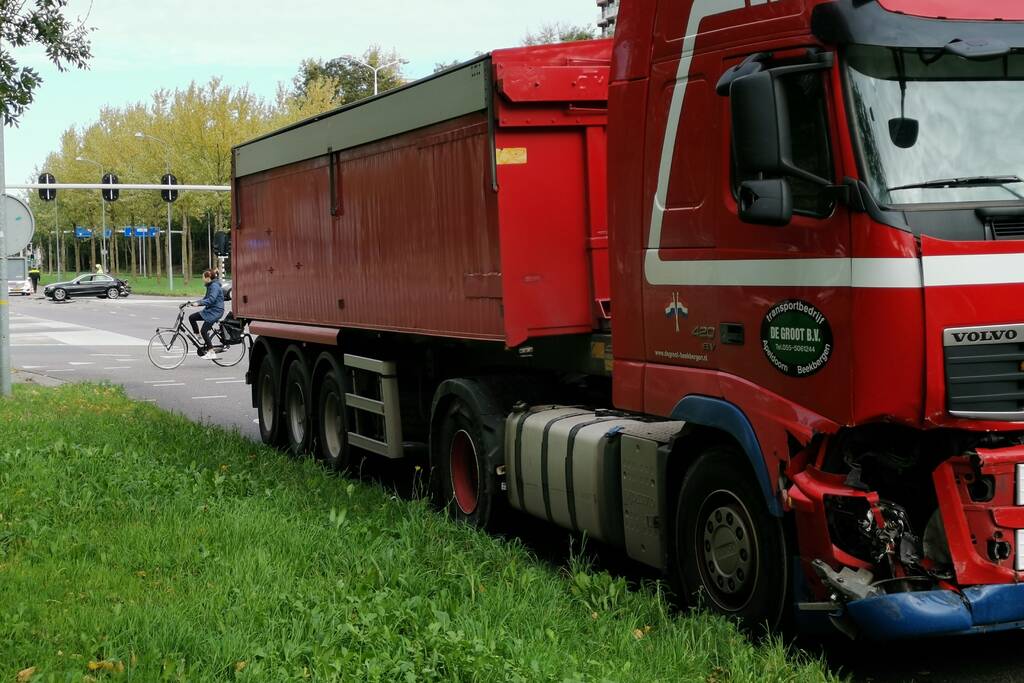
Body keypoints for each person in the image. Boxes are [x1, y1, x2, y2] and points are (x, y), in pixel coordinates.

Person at [189, 269, 224, 358]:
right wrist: (192, 303)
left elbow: (211, 299)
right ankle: (198, 336)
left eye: (203, 277)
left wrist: (199, 303)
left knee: (204, 330)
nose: (202, 278)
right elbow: (205, 298)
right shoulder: (210, 285)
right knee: (192, 317)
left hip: (215, 311)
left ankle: (211, 352)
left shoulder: (214, 286)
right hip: (210, 310)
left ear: (208, 278)